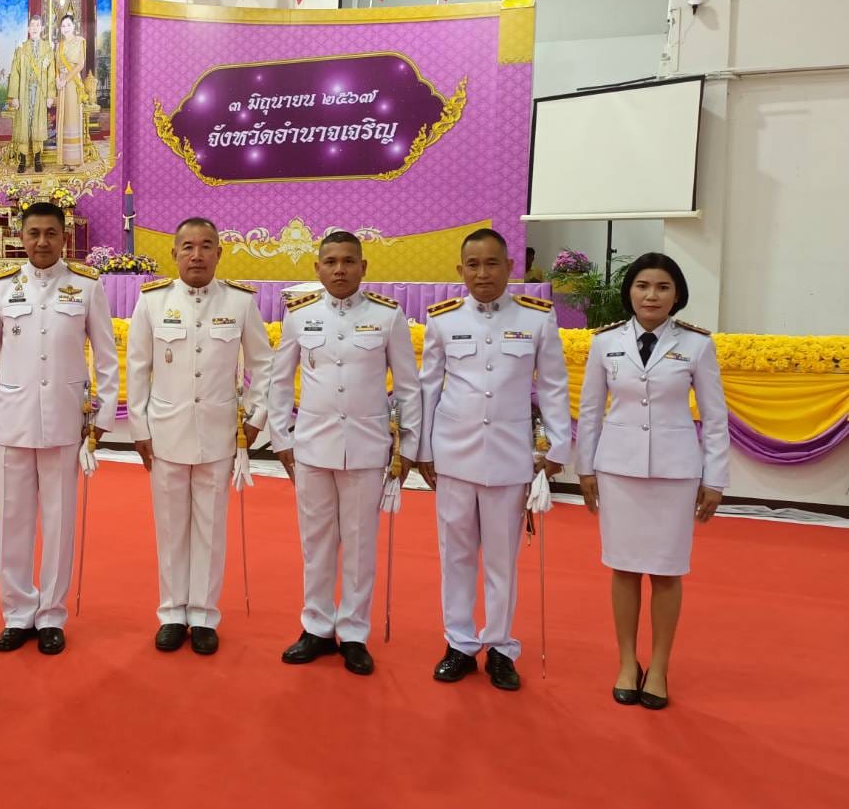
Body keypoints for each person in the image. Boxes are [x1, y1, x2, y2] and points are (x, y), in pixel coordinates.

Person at [416, 228, 571, 691]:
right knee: (456, 555)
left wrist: (557, 446)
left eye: (491, 263)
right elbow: (428, 387)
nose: (482, 273)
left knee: (502, 560)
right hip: (453, 455)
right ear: (460, 270)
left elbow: (553, 386)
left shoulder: (537, 318)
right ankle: (459, 643)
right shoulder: (443, 319)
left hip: (509, 456)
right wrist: (422, 449)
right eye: (473, 265)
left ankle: (501, 646)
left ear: (509, 267)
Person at [576, 252, 728, 710]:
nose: (651, 295)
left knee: (666, 571)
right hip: (618, 470)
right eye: (642, 286)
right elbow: (590, 411)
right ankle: (628, 661)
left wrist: (715, 478)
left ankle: (658, 666)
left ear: (677, 294)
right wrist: (585, 468)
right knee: (623, 567)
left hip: (674, 474)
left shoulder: (696, 345)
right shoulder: (606, 343)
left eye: (662, 287)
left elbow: (715, 419)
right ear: (630, 292)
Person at [0, 201, 118, 654]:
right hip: (11, 422)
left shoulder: (86, 286)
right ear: (20, 237)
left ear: (64, 237)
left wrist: (102, 418)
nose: (42, 242)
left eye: (51, 233)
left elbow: (107, 359)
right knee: (12, 523)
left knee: (59, 523)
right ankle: (17, 613)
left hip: (66, 421)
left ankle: (51, 613)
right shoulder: (1, 288)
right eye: (33, 233)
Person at [269, 231, 421, 675]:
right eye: (331, 261)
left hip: (367, 448)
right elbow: (280, 380)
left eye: (349, 261)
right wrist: (281, 438)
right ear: (317, 268)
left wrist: (408, 445)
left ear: (363, 267)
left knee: (359, 544)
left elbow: (408, 386)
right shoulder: (300, 315)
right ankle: (316, 627)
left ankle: (354, 632)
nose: (340, 269)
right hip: (312, 447)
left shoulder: (387, 316)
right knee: (315, 543)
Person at [126, 216, 273, 655]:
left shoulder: (240, 303)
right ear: (174, 254)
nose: (196, 255)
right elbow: (138, 367)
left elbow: (263, 364)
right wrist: (139, 427)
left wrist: (256, 416)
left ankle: (205, 614)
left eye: (206, 246)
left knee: (210, 527)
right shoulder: (152, 301)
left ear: (218, 253)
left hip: (219, 431)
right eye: (187, 247)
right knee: (171, 527)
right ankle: (172, 612)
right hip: (166, 430)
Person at [6, 13, 53, 175]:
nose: (34, 28)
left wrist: (50, 95)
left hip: (40, 92)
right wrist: (14, 96)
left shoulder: (47, 49)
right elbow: (15, 72)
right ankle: (23, 159)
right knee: (24, 124)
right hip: (24, 92)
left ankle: (38, 159)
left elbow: (51, 73)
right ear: (28, 28)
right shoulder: (21, 49)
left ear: (42, 28)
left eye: (37, 25)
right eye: (32, 25)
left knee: (38, 123)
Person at [54, 13, 90, 168]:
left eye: (68, 25)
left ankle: (74, 159)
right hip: (61, 85)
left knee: (72, 118)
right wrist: (57, 79)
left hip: (73, 82)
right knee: (62, 119)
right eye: (63, 26)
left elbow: (80, 64)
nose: (66, 28)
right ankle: (64, 159)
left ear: (74, 26)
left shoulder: (80, 41)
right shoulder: (59, 45)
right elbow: (56, 65)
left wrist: (65, 80)